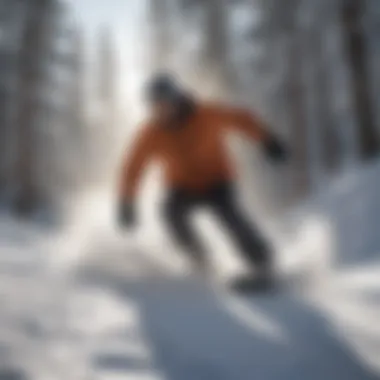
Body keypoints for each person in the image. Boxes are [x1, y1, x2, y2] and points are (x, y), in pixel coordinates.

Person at [118, 74, 288, 286]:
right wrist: (127, 201)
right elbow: (133, 167)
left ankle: (261, 262)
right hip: (182, 186)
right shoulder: (151, 133)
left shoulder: (206, 114)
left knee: (229, 214)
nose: (162, 111)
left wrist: (268, 140)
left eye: (165, 104)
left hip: (217, 180)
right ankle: (200, 261)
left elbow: (241, 120)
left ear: (176, 99)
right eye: (155, 107)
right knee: (170, 213)